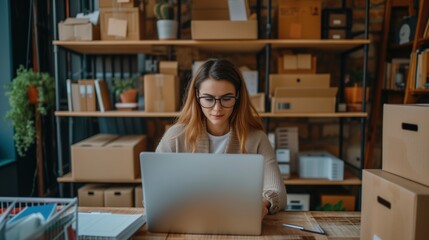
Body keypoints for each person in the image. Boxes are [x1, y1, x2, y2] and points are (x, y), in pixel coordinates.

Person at [156, 58, 287, 216]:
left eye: (226, 98)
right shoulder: (175, 136)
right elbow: (155, 189)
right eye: (209, 99)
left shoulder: (257, 139)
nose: (217, 108)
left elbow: (277, 192)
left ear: (237, 97)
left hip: (238, 221)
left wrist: (262, 204)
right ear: (197, 96)